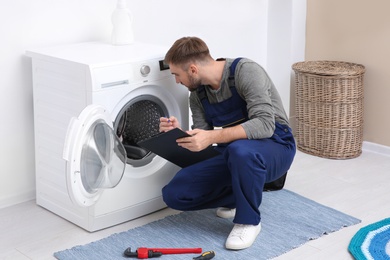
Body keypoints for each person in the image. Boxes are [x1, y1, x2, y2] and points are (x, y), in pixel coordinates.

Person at [159, 36, 296, 250]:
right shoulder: (197, 95)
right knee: (174, 194)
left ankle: (248, 221)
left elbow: (265, 125)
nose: (177, 81)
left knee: (240, 150)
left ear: (193, 69)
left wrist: (212, 137)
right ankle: (239, 196)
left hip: (276, 144)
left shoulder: (246, 71)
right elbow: (204, 137)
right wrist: (179, 132)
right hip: (235, 155)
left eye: (177, 74)